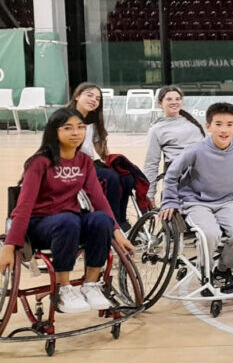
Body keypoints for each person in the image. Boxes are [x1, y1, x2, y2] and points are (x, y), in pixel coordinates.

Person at [0, 108, 134, 314]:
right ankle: (63, 289)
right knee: (68, 221)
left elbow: (99, 199)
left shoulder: (84, 162)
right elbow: (23, 206)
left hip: (70, 222)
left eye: (81, 127)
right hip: (40, 225)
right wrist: (9, 246)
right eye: (68, 128)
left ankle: (91, 285)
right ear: (55, 131)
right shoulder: (39, 162)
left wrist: (118, 233)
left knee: (100, 219)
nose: (76, 133)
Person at [159, 102, 233, 292]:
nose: (224, 129)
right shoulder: (195, 150)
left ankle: (223, 271)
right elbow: (172, 175)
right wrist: (170, 201)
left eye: (229, 124)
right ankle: (206, 274)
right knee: (210, 234)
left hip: (227, 202)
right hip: (196, 202)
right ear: (208, 126)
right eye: (218, 124)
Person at [68, 82, 138, 231]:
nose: (94, 100)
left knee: (126, 177)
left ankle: (122, 221)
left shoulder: (93, 122)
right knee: (110, 177)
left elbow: (102, 153)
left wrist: (117, 162)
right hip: (73, 165)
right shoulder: (64, 119)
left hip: (90, 163)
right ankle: (113, 224)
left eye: (98, 98)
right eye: (89, 95)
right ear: (77, 96)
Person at [142, 85, 206, 205]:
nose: (174, 102)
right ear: (160, 103)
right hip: (179, 172)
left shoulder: (193, 122)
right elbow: (151, 163)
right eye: (169, 99)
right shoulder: (156, 129)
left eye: (177, 99)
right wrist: (150, 194)